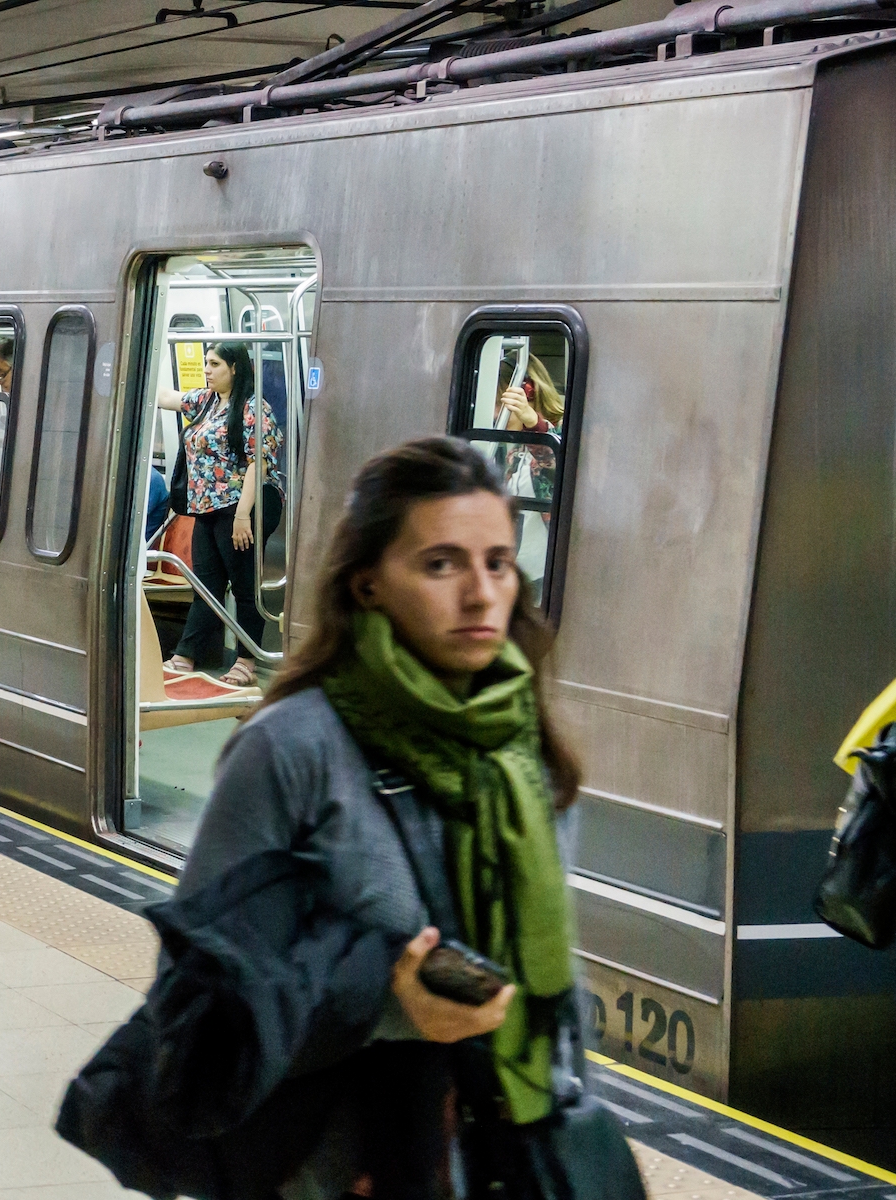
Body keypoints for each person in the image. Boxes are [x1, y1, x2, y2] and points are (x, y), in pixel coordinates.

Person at [177, 437, 588, 1196]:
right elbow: (197, 1002)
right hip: (329, 1167)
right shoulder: (291, 749)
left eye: (497, 562)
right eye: (441, 564)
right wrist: (385, 1000)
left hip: (500, 1153)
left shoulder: (522, 748)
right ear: (366, 583)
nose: (480, 593)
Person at [158, 342, 284, 687]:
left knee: (244, 587)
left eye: (214, 363)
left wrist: (243, 515)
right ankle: (186, 654)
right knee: (206, 585)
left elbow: (259, 464)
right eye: (205, 363)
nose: (207, 370)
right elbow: (166, 398)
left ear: (235, 367)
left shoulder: (254, 409)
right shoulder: (206, 402)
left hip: (241, 506)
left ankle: (247, 660)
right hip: (206, 508)